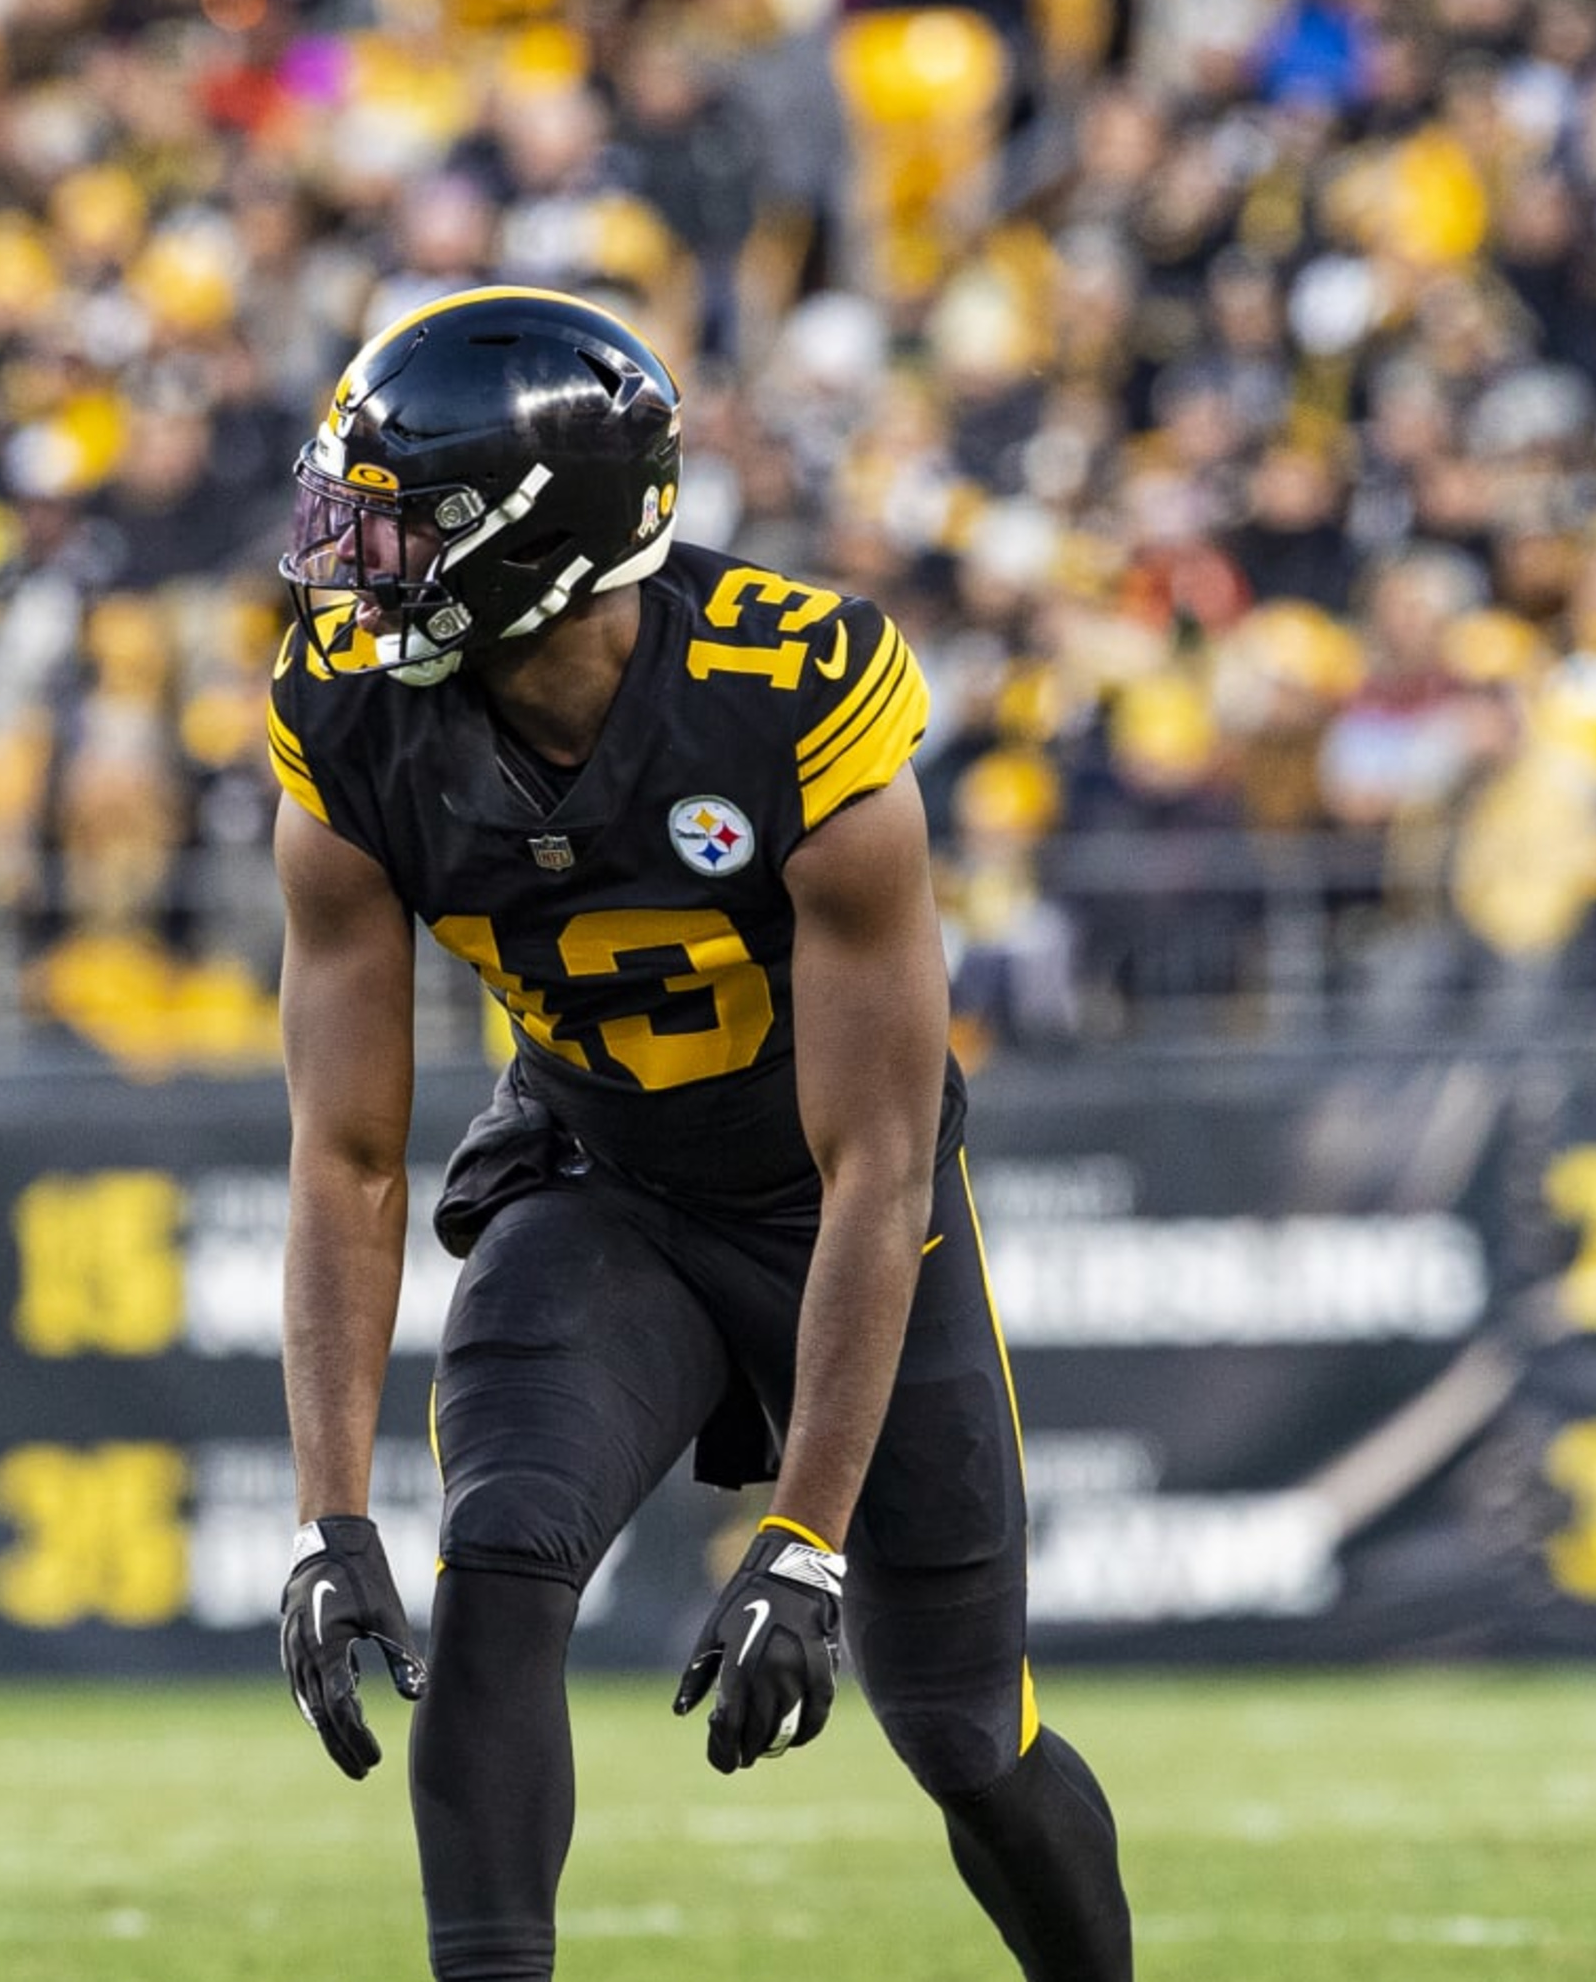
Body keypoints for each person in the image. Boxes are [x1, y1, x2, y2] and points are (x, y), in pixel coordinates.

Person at [266, 287, 1133, 1980]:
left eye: (394, 525)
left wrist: (800, 1542)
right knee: (498, 1567)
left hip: (836, 1213)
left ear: (533, 542)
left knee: (962, 1728)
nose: (348, 568)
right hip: (598, 1183)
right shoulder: (353, 720)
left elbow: (879, 1164)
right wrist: (323, 1513)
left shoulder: (787, 689)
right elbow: (348, 1155)